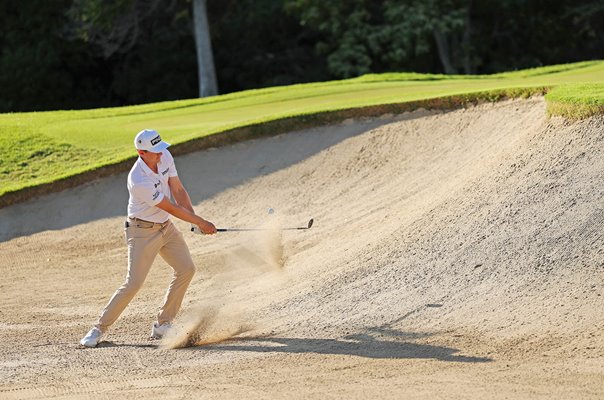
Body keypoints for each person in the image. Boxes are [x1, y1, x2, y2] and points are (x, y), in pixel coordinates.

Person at [80, 129, 216, 348]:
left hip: (166, 228)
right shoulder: (138, 179)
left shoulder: (164, 156)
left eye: (161, 149)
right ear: (141, 152)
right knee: (133, 283)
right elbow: (170, 206)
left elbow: (178, 190)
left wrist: (194, 220)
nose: (161, 155)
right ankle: (98, 329)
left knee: (186, 269)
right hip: (141, 231)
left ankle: (163, 324)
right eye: (154, 152)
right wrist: (200, 222)